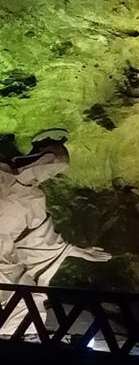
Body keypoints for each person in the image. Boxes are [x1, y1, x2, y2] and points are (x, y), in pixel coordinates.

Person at [0, 130, 111, 335]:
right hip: (9, 247)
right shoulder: (20, 192)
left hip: (7, 242)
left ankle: (20, 328)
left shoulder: (30, 199)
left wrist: (72, 250)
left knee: (24, 294)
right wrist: (72, 250)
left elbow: (36, 239)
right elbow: (38, 239)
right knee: (27, 293)